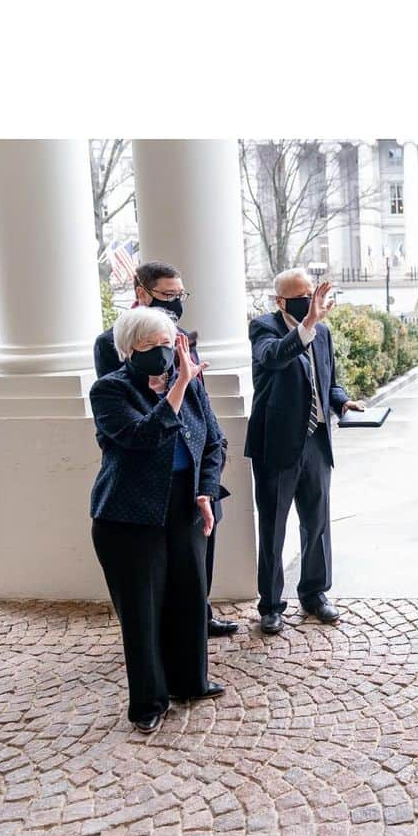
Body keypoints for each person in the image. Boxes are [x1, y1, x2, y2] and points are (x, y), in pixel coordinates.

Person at [89, 307, 227, 733]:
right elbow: (140, 437)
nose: (164, 354)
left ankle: (190, 681)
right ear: (129, 350)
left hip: (185, 504)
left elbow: (214, 442)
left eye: (168, 344)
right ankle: (148, 701)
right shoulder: (109, 391)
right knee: (143, 610)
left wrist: (205, 490)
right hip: (128, 517)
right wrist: (182, 384)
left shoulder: (190, 386)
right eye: (152, 347)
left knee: (189, 595)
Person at [94, 260, 238, 638]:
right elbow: (126, 408)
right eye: (167, 295)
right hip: (149, 471)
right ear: (142, 293)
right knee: (152, 576)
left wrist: (209, 452)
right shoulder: (113, 343)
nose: (176, 302)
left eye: (180, 295)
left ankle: (198, 618)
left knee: (197, 553)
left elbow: (198, 398)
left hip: (192, 462)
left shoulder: (184, 338)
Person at [245, 268, 365, 634]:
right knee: (273, 529)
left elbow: (328, 379)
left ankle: (314, 594)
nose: (309, 300)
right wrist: (308, 322)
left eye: (311, 293)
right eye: (300, 296)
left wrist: (342, 403)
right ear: (280, 300)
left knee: (317, 525)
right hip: (277, 446)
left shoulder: (323, 333)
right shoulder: (263, 328)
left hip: (315, 442)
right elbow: (274, 359)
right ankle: (271, 605)